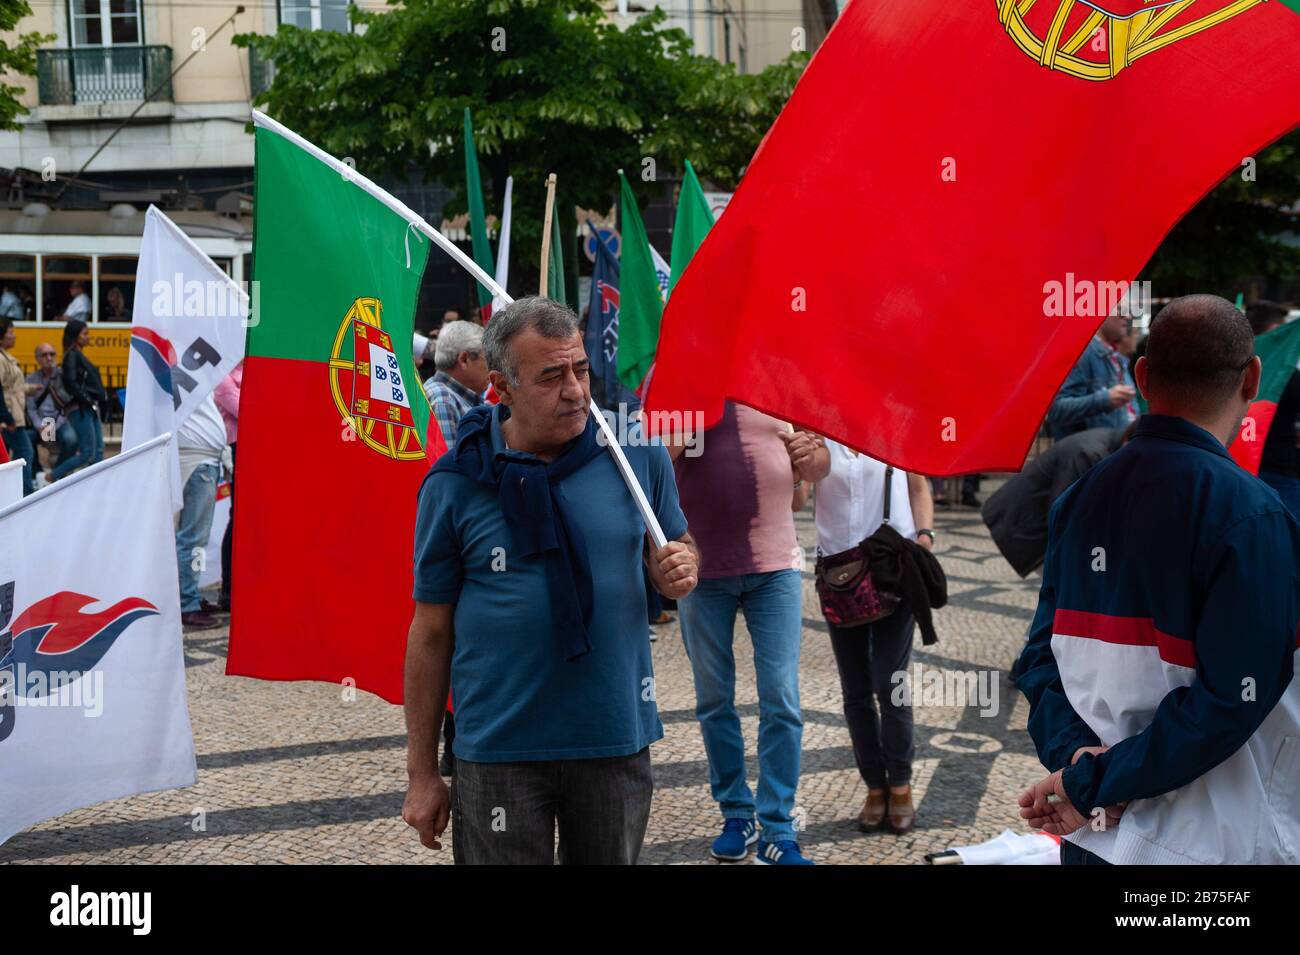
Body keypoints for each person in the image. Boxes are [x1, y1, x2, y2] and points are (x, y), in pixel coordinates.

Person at [402, 296, 697, 865]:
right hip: (498, 750)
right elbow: (430, 630)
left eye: (581, 369)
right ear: (502, 387)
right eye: (552, 376)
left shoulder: (634, 453)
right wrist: (421, 774)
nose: (575, 390)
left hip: (613, 740)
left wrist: (679, 569)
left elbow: (678, 548)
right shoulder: (457, 481)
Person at [1017, 294, 1300, 865]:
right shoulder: (1256, 517)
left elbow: (1038, 658)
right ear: (1252, 377)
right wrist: (1094, 781)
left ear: (1142, 376)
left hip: (1094, 837)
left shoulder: (1077, 501)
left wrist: (1079, 765)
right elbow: (1233, 700)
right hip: (1210, 843)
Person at [670, 401, 814, 865]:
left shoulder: (775, 383)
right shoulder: (680, 383)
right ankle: (737, 812)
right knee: (714, 698)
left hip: (776, 569)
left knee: (782, 698)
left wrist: (805, 464)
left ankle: (777, 828)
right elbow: (653, 466)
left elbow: (800, 496)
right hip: (702, 569)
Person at [799, 434, 936, 834]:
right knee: (855, 690)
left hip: (894, 570)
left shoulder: (895, 427)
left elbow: (918, 486)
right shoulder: (818, 435)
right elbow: (802, 493)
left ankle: (901, 783)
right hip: (841, 578)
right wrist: (798, 460)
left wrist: (925, 536)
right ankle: (874, 786)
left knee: (889, 683)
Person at [982, 426, 1130, 579]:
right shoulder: (1088, 454)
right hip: (1024, 523)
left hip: (1040, 524)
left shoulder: (1111, 449)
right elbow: (1063, 515)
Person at [176, 393, 226, 630]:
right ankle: (188, 603)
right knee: (194, 540)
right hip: (198, 462)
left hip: (201, 461)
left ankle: (190, 596)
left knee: (193, 540)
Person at [1046, 312, 1138, 439]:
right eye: (1120, 310)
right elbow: (1057, 411)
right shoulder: (1082, 353)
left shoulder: (1114, 355)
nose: (1127, 316)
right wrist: (1105, 399)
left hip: (1111, 451)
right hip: (1093, 455)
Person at [1246, 301, 1300, 515]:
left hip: (1236, 468)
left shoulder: (1226, 367)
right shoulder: (1284, 375)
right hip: (1277, 473)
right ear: (1274, 332)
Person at [423, 319, 488, 450]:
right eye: (487, 359)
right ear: (464, 360)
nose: (492, 368)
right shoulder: (443, 399)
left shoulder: (447, 395)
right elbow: (447, 466)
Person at [52, 320, 104, 480]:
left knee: (98, 452)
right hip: (80, 409)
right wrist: (87, 399)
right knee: (87, 453)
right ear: (75, 336)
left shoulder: (77, 354)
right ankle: (51, 477)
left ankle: (93, 486)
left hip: (87, 407)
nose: (88, 337)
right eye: (85, 334)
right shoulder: (72, 356)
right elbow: (71, 382)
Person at [25, 341, 77, 487]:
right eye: (44, 355)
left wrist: (53, 425)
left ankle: (56, 474)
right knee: (25, 439)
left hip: (60, 420)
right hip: (41, 422)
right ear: (37, 358)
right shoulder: (31, 379)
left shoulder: (63, 377)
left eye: (51, 354)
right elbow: (30, 408)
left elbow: (68, 406)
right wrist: (40, 425)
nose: (48, 358)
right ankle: (37, 474)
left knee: (71, 439)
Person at [214, 362, 242, 613]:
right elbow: (245, 409)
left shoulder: (253, 371)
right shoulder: (223, 379)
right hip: (237, 449)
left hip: (258, 446)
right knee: (238, 519)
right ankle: (228, 590)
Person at [0, 318, 38, 495]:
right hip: (10, 417)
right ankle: (25, 494)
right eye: (10, 332)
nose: (14, 336)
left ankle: (11, 494)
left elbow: (14, 386)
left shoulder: (6, 358)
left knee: (7, 461)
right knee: (25, 453)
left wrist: (32, 389)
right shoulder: (1, 359)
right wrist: (7, 417)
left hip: (12, 415)